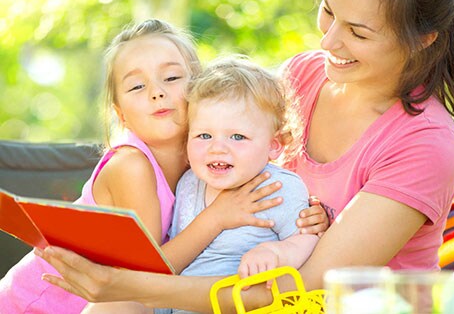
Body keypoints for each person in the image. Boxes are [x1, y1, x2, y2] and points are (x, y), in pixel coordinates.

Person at [37, 0, 454, 312]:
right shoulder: (303, 76)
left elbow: (301, 288)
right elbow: (212, 140)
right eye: (328, 10)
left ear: (423, 39)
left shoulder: (424, 145)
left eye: (358, 32)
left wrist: (138, 285)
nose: (328, 40)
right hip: (230, 288)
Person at [0, 19, 294, 313]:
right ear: (121, 114)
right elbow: (146, 279)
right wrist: (216, 217)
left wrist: (307, 214)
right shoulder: (131, 166)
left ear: (200, 89)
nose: (156, 92)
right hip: (40, 302)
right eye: (137, 86)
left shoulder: (207, 161)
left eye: (171, 78)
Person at [163, 57, 318, 314]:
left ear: (274, 144)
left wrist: (276, 253)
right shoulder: (188, 183)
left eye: (238, 136)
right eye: (204, 135)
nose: (217, 148)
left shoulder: (277, 187)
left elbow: (308, 241)